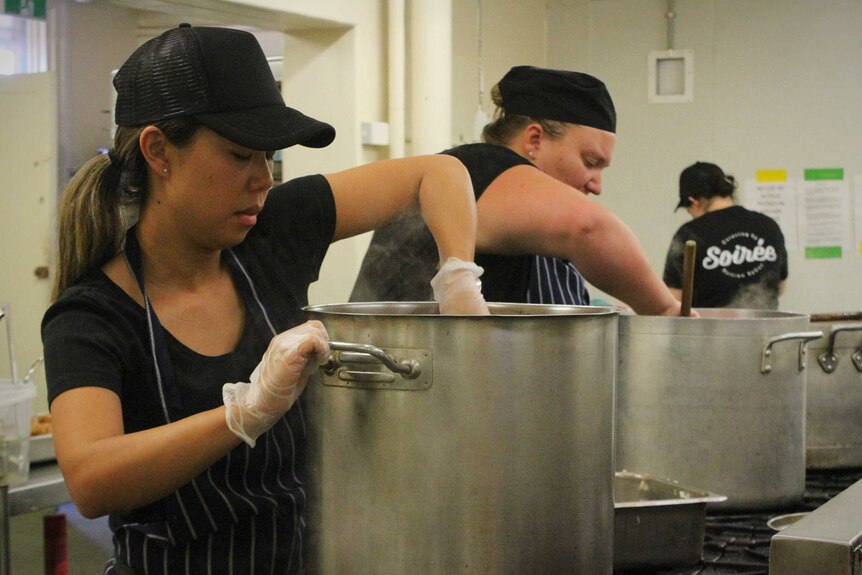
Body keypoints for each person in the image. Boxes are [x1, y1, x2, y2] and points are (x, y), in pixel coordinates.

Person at [41, 24, 488, 575]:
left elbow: (438, 172)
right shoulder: (92, 315)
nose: (263, 181)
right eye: (238, 155)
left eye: (268, 157)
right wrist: (242, 413)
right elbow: (91, 478)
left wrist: (458, 276)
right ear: (159, 150)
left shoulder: (273, 235)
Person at [350, 65, 683, 316]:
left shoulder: (535, 223)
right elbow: (590, 229)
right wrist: (668, 312)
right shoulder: (475, 170)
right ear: (534, 139)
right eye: (590, 161)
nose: (596, 184)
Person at [663, 161, 788, 309]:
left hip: (709, 330)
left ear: (694, 201)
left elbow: (674, 299)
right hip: (767, 328)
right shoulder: (768, 225)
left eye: (688, 209)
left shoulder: (689, 234)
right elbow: (780, 287)